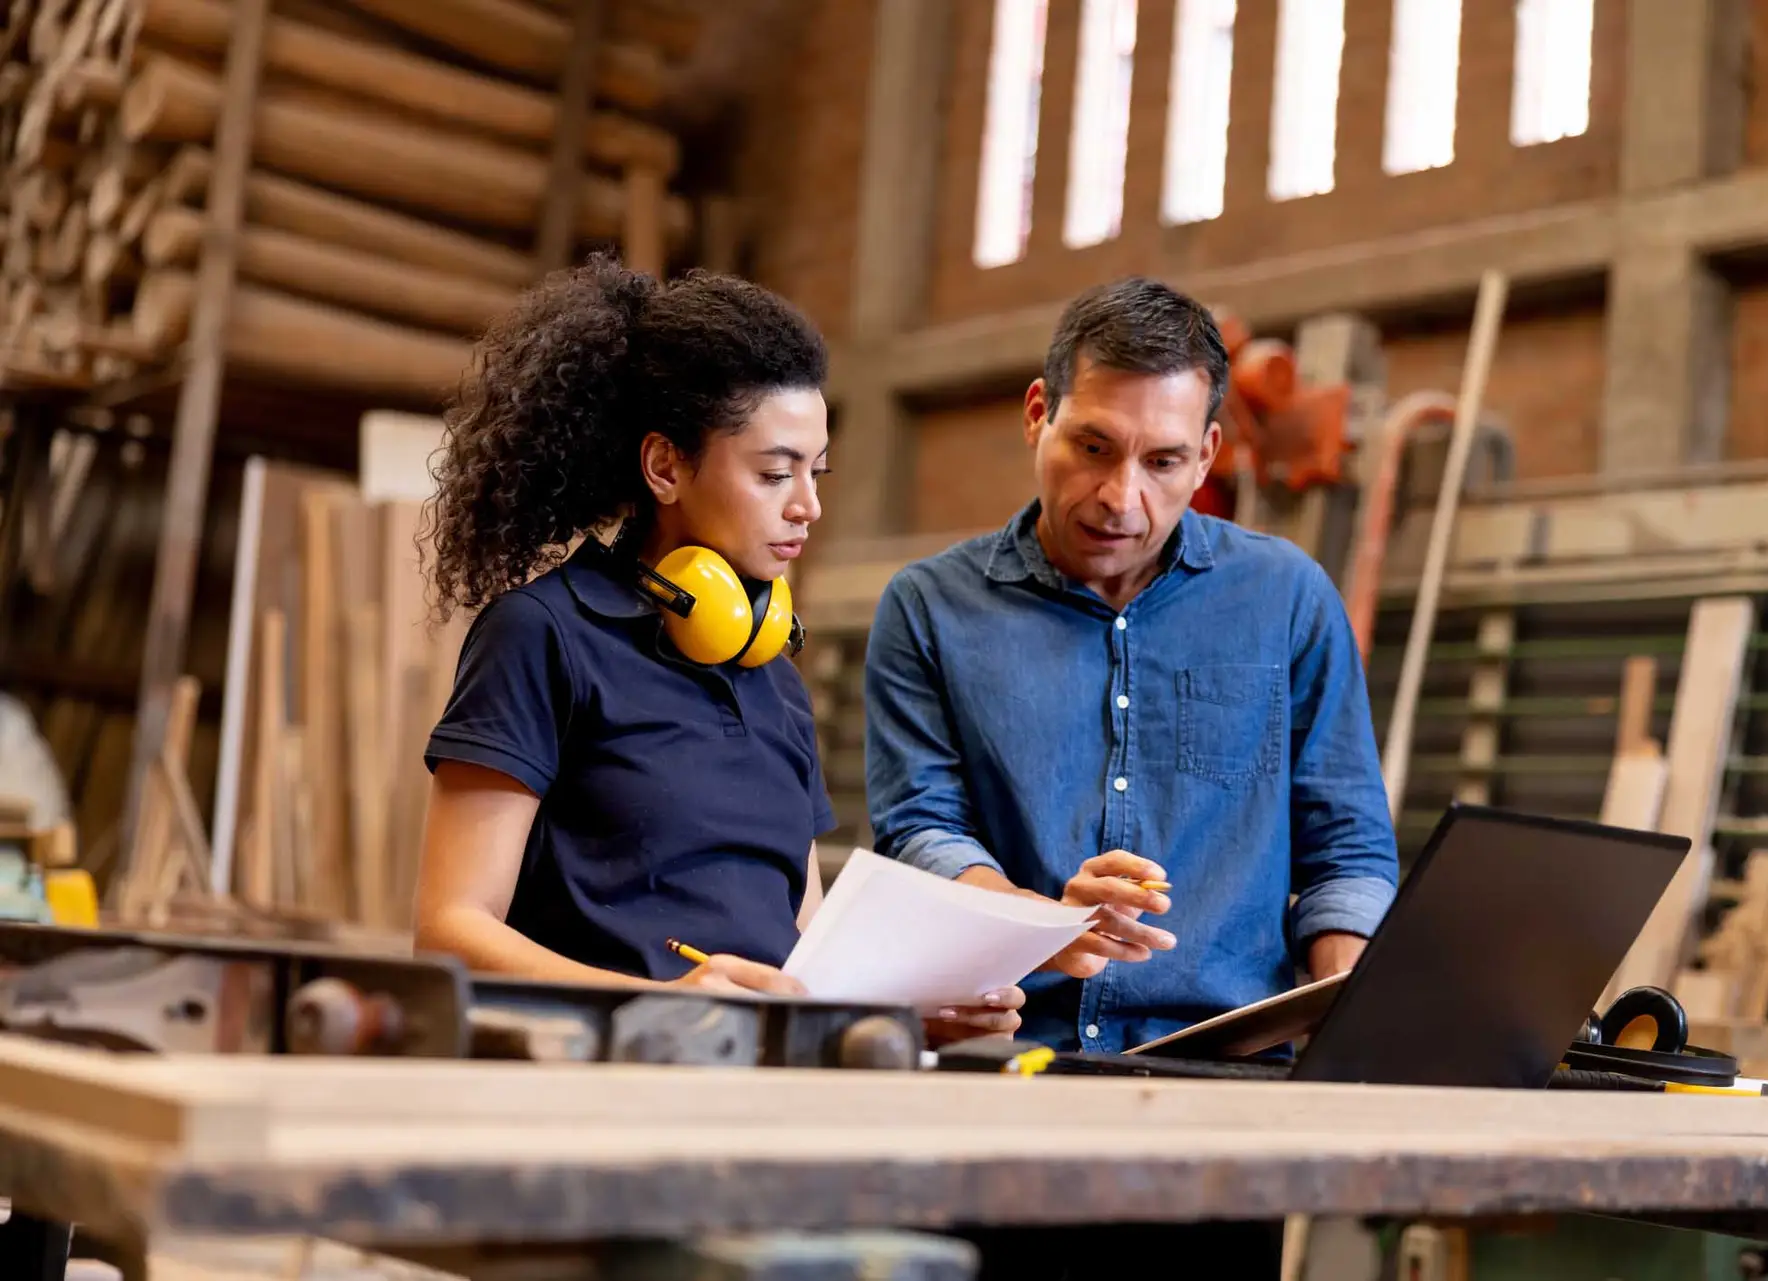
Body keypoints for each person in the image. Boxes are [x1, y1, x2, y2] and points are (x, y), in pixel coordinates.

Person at [410, 254, 1020, 1044]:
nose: (809, 505)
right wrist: (665, 1000)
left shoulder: (773, 676)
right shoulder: (541, 634)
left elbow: (802, 955)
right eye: (775, 473)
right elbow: (450, 930)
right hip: (599, 1089)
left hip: (759, 1098)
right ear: (666, 466)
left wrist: (905, 1013)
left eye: (816, 471)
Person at [863, 275, 1399, 1058]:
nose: (1122, 497)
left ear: (1207, 453)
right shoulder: (929, 609)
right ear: (1038, 413)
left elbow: (1345, 848)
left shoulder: (1286, 598)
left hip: (1235, 1068)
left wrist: (1346, 1016)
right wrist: (1043, 925)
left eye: (1164, 462)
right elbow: (922, 830)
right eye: (1094, 448)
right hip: (1015, 1054)